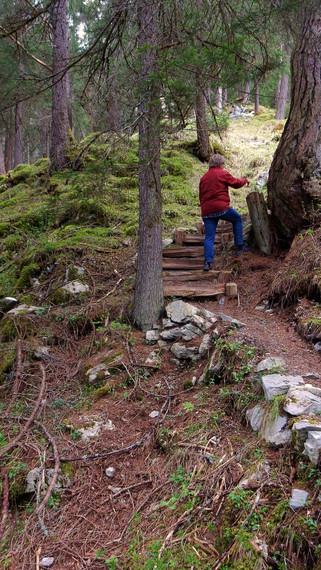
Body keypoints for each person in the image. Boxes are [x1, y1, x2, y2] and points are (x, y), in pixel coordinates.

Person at [199, 153, 251, 271]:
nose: (223, 166)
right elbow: (236, 183)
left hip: (207, 211)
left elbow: (201, 196)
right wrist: (245, 180)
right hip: (221, 207)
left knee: (209, 237)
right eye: (223, 164)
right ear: (219, 164)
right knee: (237, 219)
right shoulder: (222, 173)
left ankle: (207, 262)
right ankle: (239, 246)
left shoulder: (203, 178)